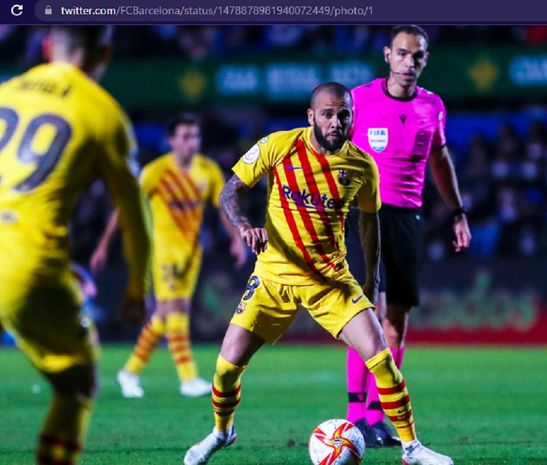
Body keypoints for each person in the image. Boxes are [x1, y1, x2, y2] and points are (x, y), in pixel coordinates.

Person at [183, 82, 453, 465]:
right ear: (311, 116)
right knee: (226, 367)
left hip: (330, 282)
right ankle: (221, 432)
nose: (336, 121)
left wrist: (372, 279)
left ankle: (412, 448)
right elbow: (230, 191)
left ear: (352, 118)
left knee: (381, 357)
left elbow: (369, 224)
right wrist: (245, 226)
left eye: (344, 114)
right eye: (328, 113)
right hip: (273, 277)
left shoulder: (361, 165)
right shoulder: (279, 145)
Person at [0, 26, 151, 465]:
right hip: (25, 264)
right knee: (78, 380)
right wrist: (136, 290)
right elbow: (134, 215)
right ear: (103, 53)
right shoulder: (103, 112)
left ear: (47, 49)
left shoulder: (6, 90)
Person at [347, 24, 472, 447]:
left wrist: (456, 211)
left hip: (406, 218)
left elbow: (440, 158)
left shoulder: (432, 107)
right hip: (363, 214)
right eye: (402, 53)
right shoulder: (360, 100)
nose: (409, 62)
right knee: (362, 311)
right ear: (387, 55)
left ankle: (378, 415)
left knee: (397, 320)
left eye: (417, 56)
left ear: (425, 60)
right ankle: (354, 415)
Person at [91, 113, 247, 398]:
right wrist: (104, 244)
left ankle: (129, 372)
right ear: (171, 140)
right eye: (186, 136)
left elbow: (222, 207)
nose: (192, 142)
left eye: (196, 136)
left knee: (165, 316)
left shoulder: (207, 170)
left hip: (191, 253)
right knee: (175, 312)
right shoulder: (156, 171)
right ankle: (187, 378)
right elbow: (127, 206)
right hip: (163, 252)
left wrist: (236, 239)